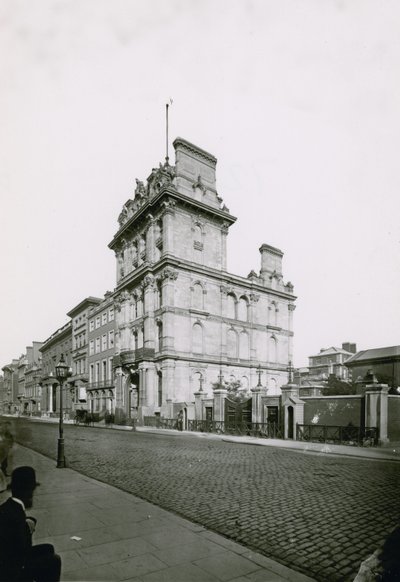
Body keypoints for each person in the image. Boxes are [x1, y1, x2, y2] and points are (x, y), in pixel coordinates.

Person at [0, 466, 61, 582]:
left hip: (9, 562)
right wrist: (28, 530)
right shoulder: (15, 515)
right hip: (12, 573)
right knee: (54, 560)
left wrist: (28, 521)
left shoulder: (9, 507)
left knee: (48, 548)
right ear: (29, 492)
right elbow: (23, 548)